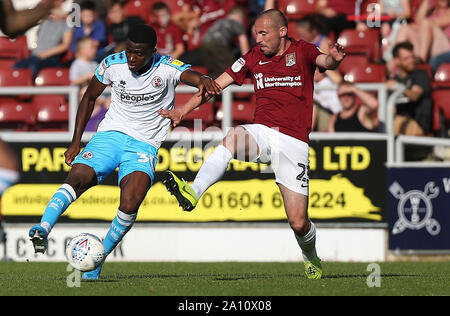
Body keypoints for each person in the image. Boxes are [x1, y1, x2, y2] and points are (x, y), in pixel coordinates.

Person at [159, 9, 346, 280]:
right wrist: (181, 111)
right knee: (233, 136)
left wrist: (334, 60)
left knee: (298, 222)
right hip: (263, 132)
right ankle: (193, 192)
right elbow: (214, 86)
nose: (258, 39)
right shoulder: (252, 57)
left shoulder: (303, 50)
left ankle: (311, 255)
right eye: (255, 34)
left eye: (263, 33)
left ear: (282, 31)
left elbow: (324, 60)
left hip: (294, 142)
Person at [28, 24, 221, 279]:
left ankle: (97, 260)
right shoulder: (112, 64)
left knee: (130, 202)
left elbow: (192, 76)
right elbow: (88, 98)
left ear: (153, 52)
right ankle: (43, 227)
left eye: (139, 53)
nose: (132, 58)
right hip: (110, 137)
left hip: (144, 145)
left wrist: (203, 79)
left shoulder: (166, 66)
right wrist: (76, 142)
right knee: (77, 178)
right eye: (129, 51)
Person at [13, 2, 73, 78]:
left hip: (51, 58)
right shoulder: (46, 21)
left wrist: (46, 53)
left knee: (33, 67)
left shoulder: (66, 24)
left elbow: (65, 45)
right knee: (17, 66)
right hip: (35, 56)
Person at [387, 42, 433, 136]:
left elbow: (415, 95)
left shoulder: (420, 74)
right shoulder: (395, 80)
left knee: (392, 126)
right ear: (397, 61)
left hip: (418, 125)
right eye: (406, 58)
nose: (411, 61)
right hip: (398, 124)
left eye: (412, 57)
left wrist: (399, 88)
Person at [200, 5, 250, 79]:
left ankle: (212, 88)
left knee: (214, 71)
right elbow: (244, 44)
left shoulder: (220, 21)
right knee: (231, 71)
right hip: (218, 44)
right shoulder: (237, 23)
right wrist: (248, 63)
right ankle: (230, 90)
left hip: (204, 44)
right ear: (240, 17)